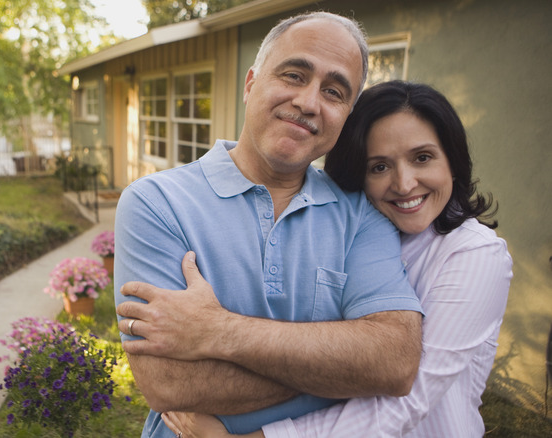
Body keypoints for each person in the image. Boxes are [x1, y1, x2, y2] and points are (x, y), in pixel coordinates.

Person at [113, 12, 425, 438]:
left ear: (346, 115)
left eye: (334, 91)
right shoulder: (156, 203)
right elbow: (169, 384)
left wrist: (217, 331)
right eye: (294, 75)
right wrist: (342, 372)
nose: (309, 102)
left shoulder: (361, 214)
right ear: (249, 84)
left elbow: (393, 362)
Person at [159, 81, 513, 437]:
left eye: (422, 158)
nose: (404, 184)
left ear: (452, 160)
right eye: (379, 167)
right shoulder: (353, 232)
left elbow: (407, 397)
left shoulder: (475, 254)